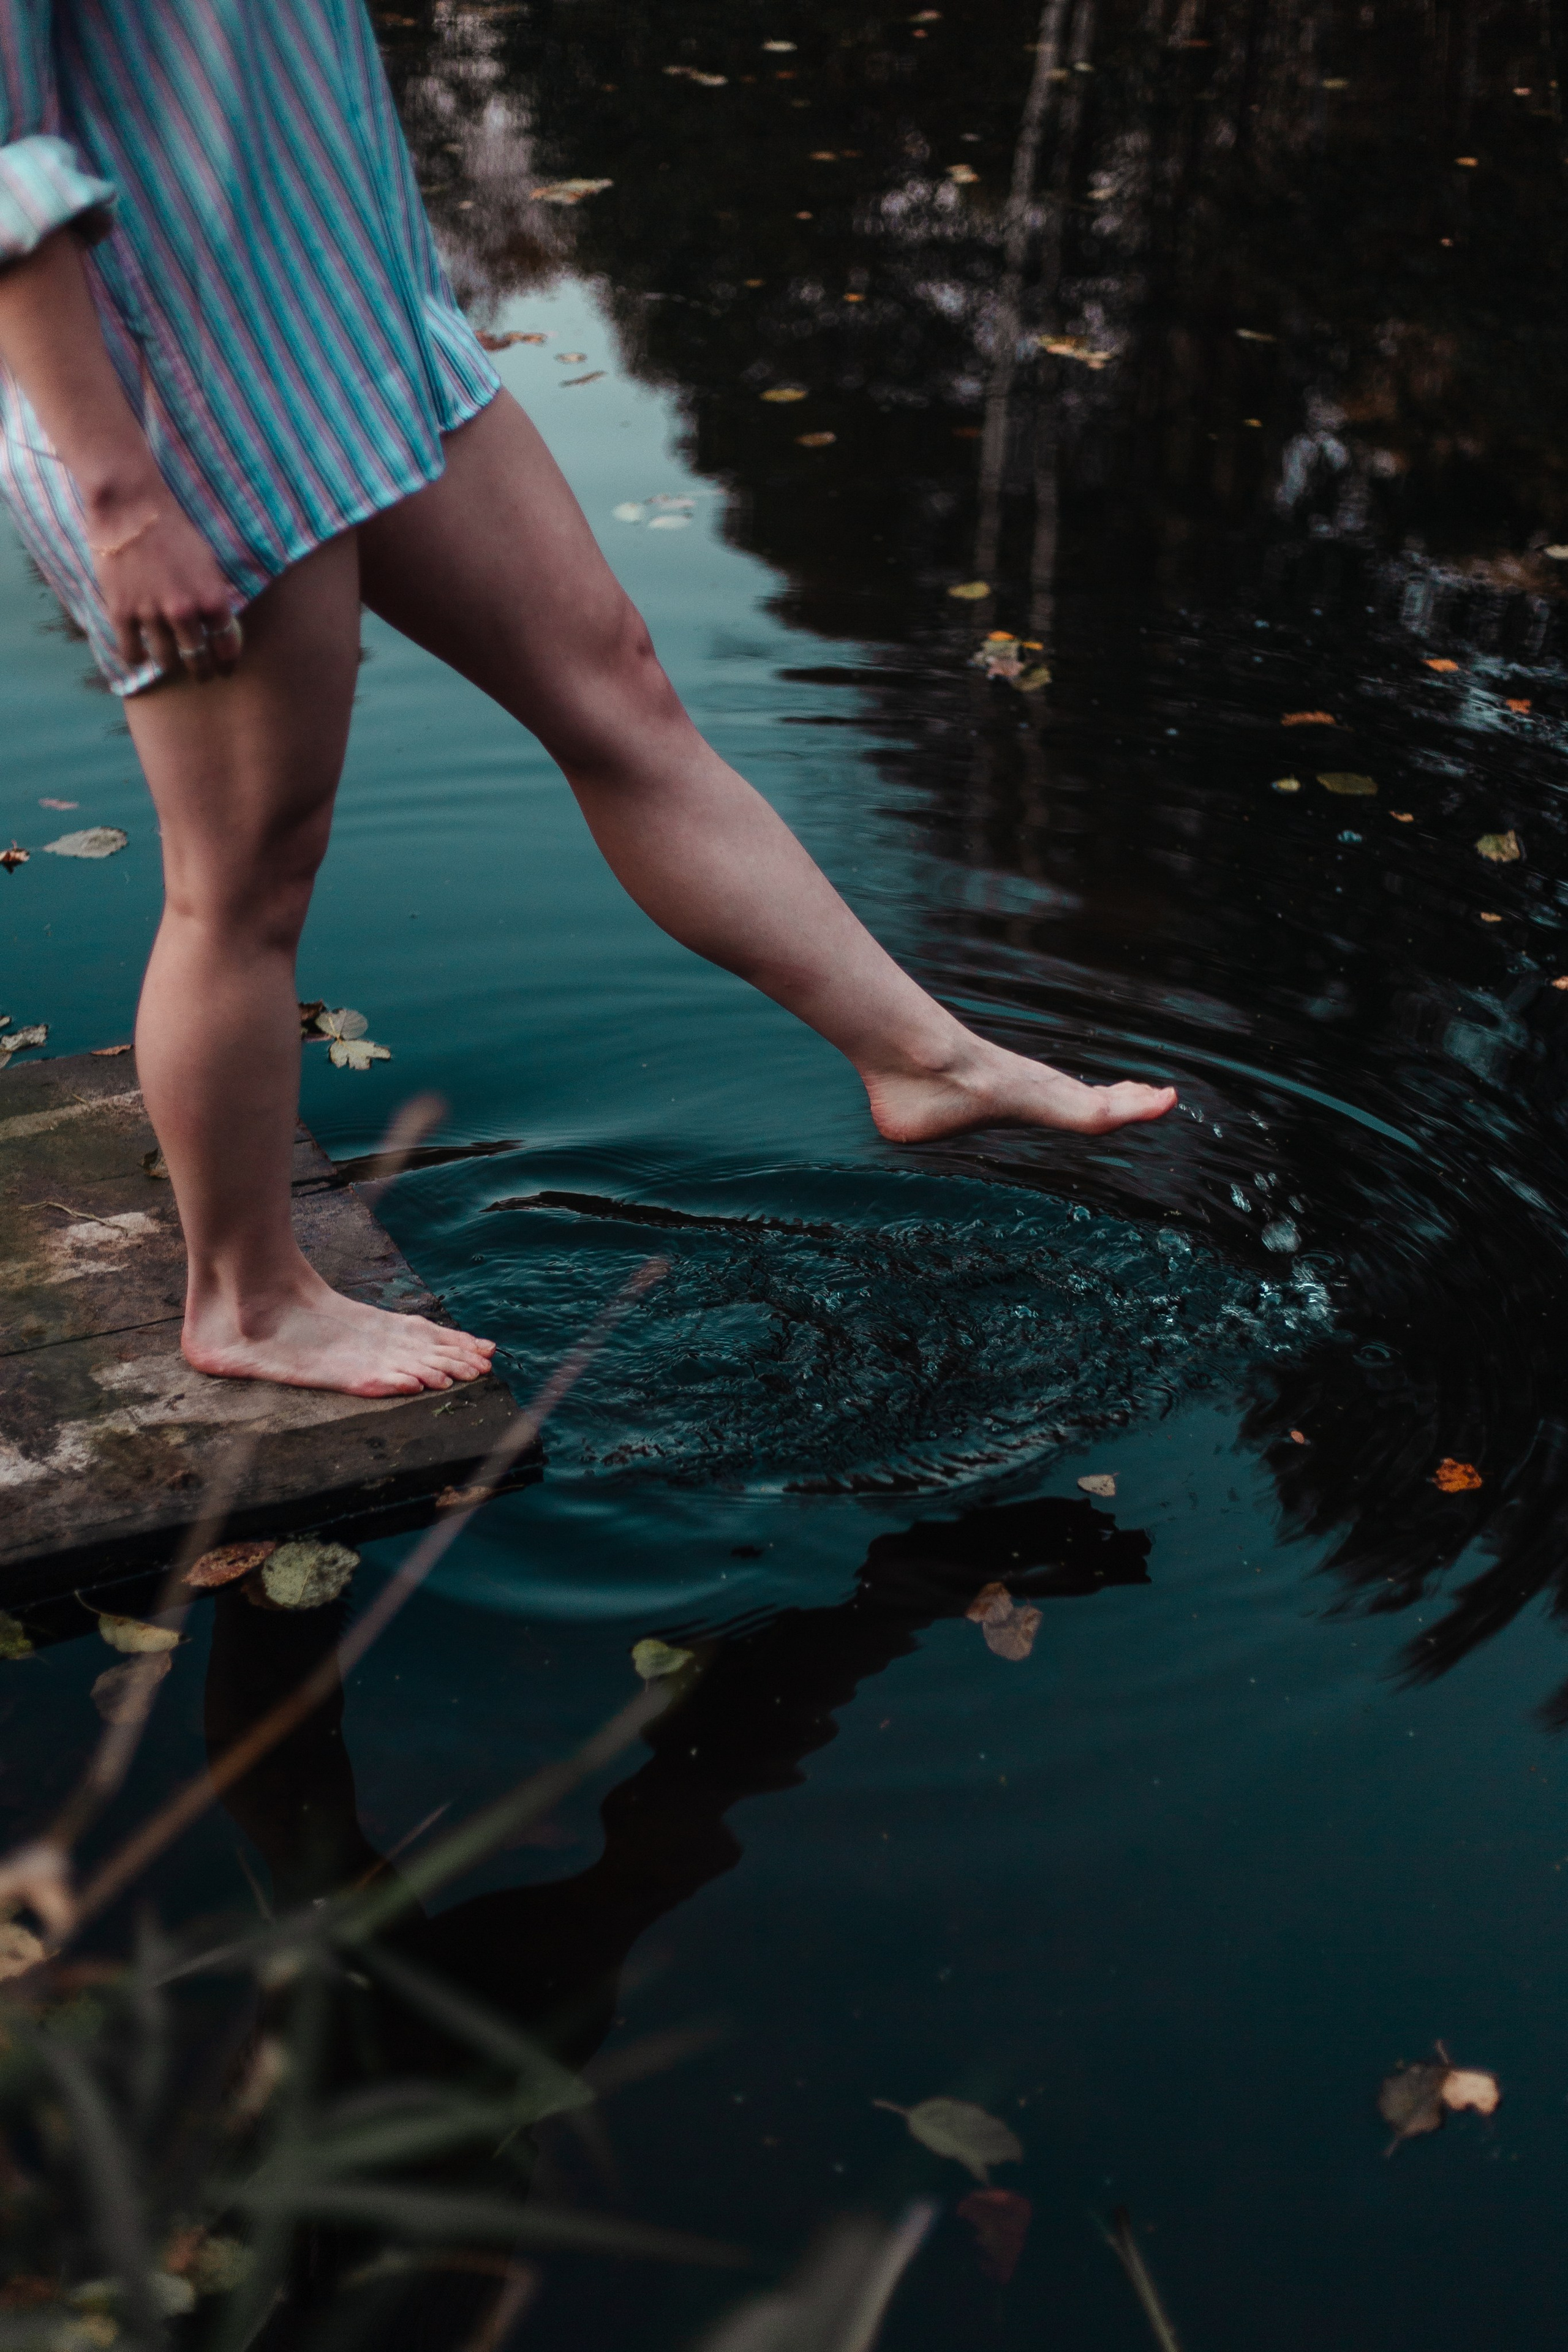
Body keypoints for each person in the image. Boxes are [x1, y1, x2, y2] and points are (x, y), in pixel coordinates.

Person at [0, 0, 1175, 1403]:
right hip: (178, 403)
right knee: (248, 874)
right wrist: (120, 494)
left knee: (619, 688)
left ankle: (922, 1059)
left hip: (355, 316)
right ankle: (246, 1300)